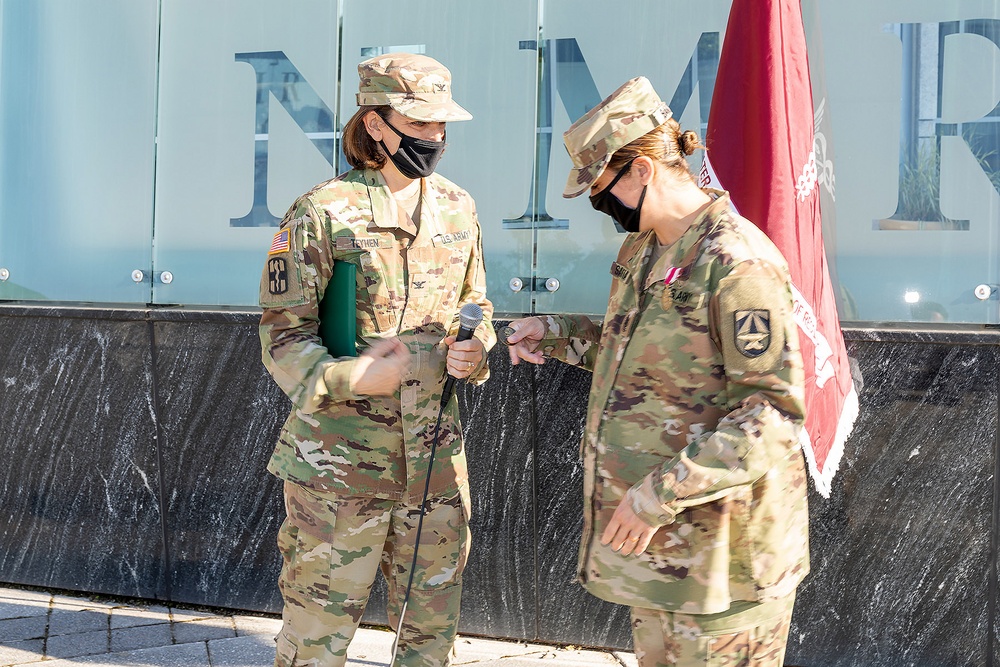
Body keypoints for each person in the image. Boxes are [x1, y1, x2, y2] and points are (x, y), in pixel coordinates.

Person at [504, 77, 809, 666]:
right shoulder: (645, 252)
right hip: (664, 562)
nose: (602, 204)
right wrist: (557, 334)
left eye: (601, 188)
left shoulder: (736, 261)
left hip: (726, 565)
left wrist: (657, 497)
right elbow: (635, 354)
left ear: (641, 169)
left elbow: (772, 413)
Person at [258, 52, 495, 667]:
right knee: (317, 635)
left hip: (436, 467)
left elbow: (476, 303)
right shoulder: (321, 211)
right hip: (339, 466)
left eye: (441, 127)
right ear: (376, 124)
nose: (435, 139)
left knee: (431, 634)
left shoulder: (458, 208)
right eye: (419, 125)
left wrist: (477, 348)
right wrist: (350, 374)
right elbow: (282, 335)